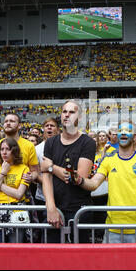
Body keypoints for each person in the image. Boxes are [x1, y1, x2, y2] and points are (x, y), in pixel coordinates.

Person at [70, 120, 136, 243]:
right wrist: (80, 180)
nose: (123, 133)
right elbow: (93, 184)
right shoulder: (108, 160)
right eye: (121, 130)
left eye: (128, 130)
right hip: (113, 229)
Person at [41, 100, 96, 243]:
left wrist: (52, 167)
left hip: (79, 209)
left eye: (72, 112)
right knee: (53, 257)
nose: (67, 115)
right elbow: (46, 177)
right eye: (64, 111)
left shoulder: (88, 143)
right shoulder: (51, 142)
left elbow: (78, 178)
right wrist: (51, 207)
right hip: (55, 207)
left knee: (79, 258)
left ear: (80, 117)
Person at [0, 138, 30, 243]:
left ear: (14, 151)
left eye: (8, 149)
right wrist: (3, 173)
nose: (4, 152)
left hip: (16, 210)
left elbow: (18, 194)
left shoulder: (24, 168)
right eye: (2, 149)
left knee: (16, 248)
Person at [0, 113, 39, 201]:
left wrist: (31, 177)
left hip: (21, 195)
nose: (8, 123)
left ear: (19, 126)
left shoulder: (29, 145)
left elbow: (35, 171)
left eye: (12, 121)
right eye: (6, 121)